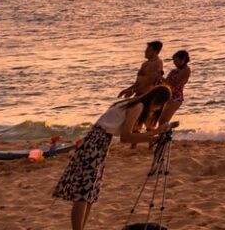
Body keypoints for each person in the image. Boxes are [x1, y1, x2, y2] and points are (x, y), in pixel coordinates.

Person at [52, 86, 172, 229]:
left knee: (89, 193)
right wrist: (152, 137)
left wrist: (155, 134)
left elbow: (136, 133)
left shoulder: (134, 103)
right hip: (96, 143)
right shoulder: (138, 106)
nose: (157, 109)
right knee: (83, 193)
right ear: (155, 100)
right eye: (158, 106)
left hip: (98, 142)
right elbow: (125, 137)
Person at [154, 50, 190, 131]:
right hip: (168, 96)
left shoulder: (186, 70)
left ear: (183, 59)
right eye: (173, 61)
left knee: (164, 121)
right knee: (161, 121)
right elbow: (165, 84)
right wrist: (159, 78)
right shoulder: (173, 71)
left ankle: (167, 133)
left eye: (176, 61)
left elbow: (175, 84)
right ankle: (164, 137)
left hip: (176, 98)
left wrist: (161, 78)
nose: (174, 63)